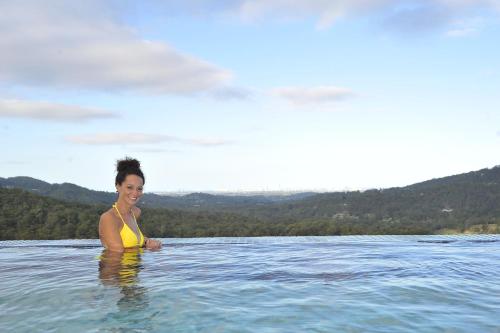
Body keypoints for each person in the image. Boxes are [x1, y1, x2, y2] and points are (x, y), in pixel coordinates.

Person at [99, 157, 162, 252]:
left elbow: (131, 238)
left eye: (139, 189)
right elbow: (115, 257)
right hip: (114, 266)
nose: (135, 193)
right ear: (118, 186)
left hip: (134, 266)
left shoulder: (135, 212)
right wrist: (146, 249)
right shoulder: (109, 218)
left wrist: (147, 242)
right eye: (129, 187)